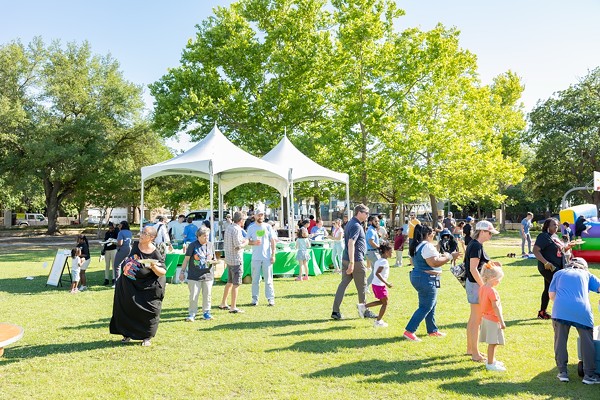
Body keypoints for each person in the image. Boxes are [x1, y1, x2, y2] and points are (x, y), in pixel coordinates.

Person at [109, 225, 167, 347]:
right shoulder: (135, 245)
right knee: (127, 308)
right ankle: (127, 333)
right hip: (130, 284)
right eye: (142, 232)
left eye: (145, 233)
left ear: (152, 237)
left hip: (148, 287)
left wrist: (153, 266)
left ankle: (146, 337)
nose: (141, 235)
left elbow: (162, 272)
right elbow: (129, 259)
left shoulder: (155, 252)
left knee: (148, 312)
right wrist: (127, 265)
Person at [403, 225, 460, 341]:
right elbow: (434, 263)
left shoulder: (418, 245)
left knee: (431, 304)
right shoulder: (427, 246)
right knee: (426, 306)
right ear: (428, 234)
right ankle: (409, 331)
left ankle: (432, 330)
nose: (434, 234)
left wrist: (443, 256)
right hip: (426, 279)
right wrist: (450, 256)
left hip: (420, 277)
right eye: (433, 232)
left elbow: (416, 261)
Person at [549, 257, 600, 384]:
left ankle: (562, 373)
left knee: (560, 341)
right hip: (582, 310)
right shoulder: (587, 274)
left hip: (560, 310)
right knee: (587, 342)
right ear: (584, 266)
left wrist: (564, 304)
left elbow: (551, 295)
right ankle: (589, 375)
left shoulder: (559, 273)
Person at [332, 204, 377, 320]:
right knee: (362, 287)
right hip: (355, 260)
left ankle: (335, 311)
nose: (367, 215)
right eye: (366, 213)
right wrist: (352, 263)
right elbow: (351, 243)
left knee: (343, 285)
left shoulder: (350, 223)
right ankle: (365, 311)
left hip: (347, 259)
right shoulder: (356, 225)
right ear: (359, 213)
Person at [465, 220, 499, 362]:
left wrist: (491, 264)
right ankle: (475, 353)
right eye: (489, 233)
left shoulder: (475, 244)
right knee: (476, 320)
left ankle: (471, 349)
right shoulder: (476, 246)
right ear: (482, 232)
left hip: (473, 285)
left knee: (473, 319)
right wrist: (483, 286)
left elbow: (478, 265)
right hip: (475, 286)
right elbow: (473, 269)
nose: (491, 235)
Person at [532, 218, 574, 320]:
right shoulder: (543, 236)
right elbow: (535, 250)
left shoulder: (554, 237)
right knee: (560, 288)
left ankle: (542, 312)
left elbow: (560, 251)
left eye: (557, 225)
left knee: (548, 289)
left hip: (557, 267)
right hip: (549, 268)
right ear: (547, 226)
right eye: (554, 225)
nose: (556, 226)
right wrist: (545, 262)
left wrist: (568, 247)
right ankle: (563, 313)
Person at [179, 227, 215, 321]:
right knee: (194, 296)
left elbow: (213, 258)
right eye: (204, 236)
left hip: (208, 274)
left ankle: (206, 312)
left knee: (207, 295)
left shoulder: (210, 245)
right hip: (194, 275)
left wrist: (214, 261)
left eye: (208, 236)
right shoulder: (192, 245)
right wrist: (182, 272)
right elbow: (186, 260)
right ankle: (192, 314)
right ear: (198, 236)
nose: (206, 238)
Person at [479, 263, 507, 372]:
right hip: (493, 319)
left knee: (493, 342)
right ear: (492, 278)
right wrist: (501, 321)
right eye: (499, 279)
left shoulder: (482, 288)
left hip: (485, 317)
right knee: (493, 342)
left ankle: (492, 360)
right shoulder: (492, 291)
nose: (499, 281)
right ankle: (490, 364)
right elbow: (496, 307)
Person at [219, 211, 249, 313]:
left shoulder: (229, 228)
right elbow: (238, 245)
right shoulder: (237, 229)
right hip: (236, 260)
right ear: (240, 220)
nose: (244, 221)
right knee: (236, 284)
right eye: (244, 219)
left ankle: (223, 303)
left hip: (229, 259)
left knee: (230, 282)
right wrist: (246, 242)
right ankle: (233, 307)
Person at [247, 208, 277, 306]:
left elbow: (273, 241)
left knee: (268, 280)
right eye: (259, 215)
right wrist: (253, 242)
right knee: (255, 280)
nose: (260, 217)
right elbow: (247, 241)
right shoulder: (251, 228)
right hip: (255, 258)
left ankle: (270, 299)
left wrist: (273, 255)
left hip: (267, 257)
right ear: (254, 216)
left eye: (262, 215)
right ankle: (254, 299)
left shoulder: (268, 227)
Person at [362, 243, 393, 328]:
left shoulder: (379, 260)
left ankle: (363, 307)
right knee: (385, 303)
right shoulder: (384, 262)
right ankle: (378, 321)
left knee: (383, 302)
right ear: (386, 252)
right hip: (380, 286)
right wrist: (387, 283)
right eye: (391, 252)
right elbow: (377, 273)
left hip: (375, 284)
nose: (392, 253)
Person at [365, 215, 381, 288]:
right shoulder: (371, 230)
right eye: (375, 221)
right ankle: (366, 286)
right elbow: (371, 242)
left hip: (372, 252)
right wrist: (379, 247)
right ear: (370, 222)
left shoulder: (373, 230)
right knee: (378, 270)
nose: (377, 222)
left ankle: (366, 286)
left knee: (375, 271)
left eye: (378, 221)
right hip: (372, 252)